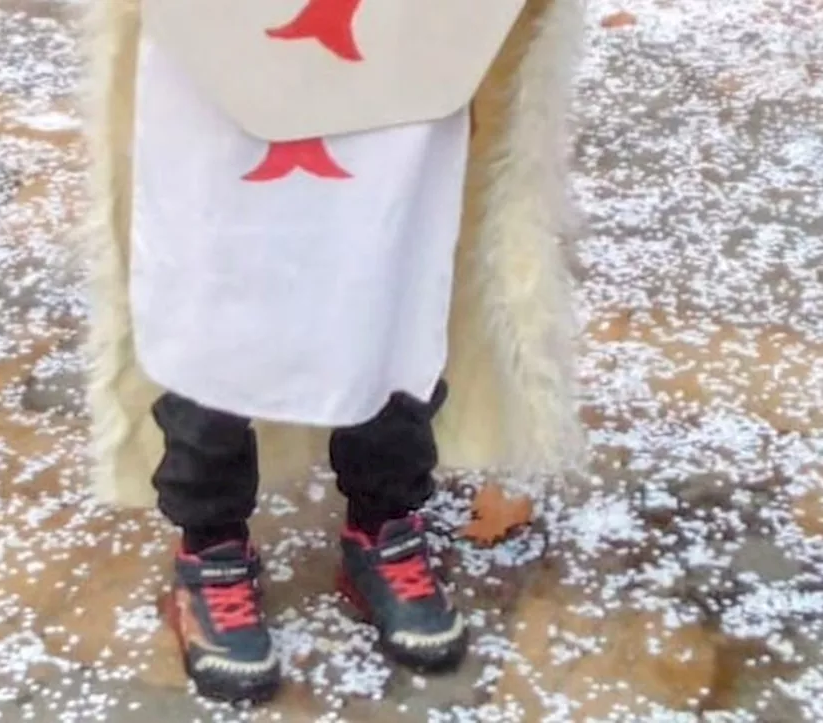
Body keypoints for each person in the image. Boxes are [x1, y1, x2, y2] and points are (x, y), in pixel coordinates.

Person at [81, 0, 585, 704]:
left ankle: (384, 521)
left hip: (402, 39)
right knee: (214, 274)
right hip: (223, 33)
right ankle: (210, 540)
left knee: (391, 270)